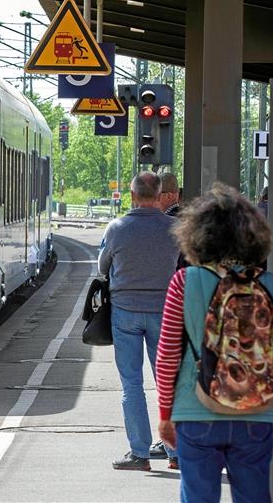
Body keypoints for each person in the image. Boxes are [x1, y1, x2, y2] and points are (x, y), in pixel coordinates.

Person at [156, 182, 273, 502]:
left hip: (195, 408)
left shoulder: (183, 282)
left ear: (197, 235)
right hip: (255, 412)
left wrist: (165, 413)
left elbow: (168, 354)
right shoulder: (272, 284)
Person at [98, 171, 182, 471]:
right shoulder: (175, 228)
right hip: (165, 312)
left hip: (125, 312)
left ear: (132, 196)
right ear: (160, 197)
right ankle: (175, 454)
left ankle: (140, 454)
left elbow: (102, 266)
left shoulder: (117, 227)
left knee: (131, 384)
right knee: (166, 384)